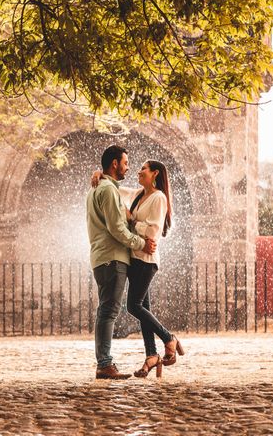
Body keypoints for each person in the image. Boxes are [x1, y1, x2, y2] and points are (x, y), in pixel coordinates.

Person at [92, 160, 184, 378]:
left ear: (155, 174)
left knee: (133, 306)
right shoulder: (138, 194)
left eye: (143, 168)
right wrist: (100, 175)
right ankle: (151, 355)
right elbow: (115, 189)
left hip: (146, 259)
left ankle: (169, 338)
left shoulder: (158, 198)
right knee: (144, 308)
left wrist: (133, 221)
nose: (138, 171)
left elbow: (153, 231)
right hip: (135, 258)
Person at [86, 145, 156, 380]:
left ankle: (104, 362)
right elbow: (117, 229)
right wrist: (140, 243)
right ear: (115, 164)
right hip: (112, 258)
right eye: (125, 162)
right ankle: (104, 364)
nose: (128, 167)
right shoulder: (107, 190)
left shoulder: (99, 188)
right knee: (108, 311)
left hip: (102, 257)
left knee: (106, 310)